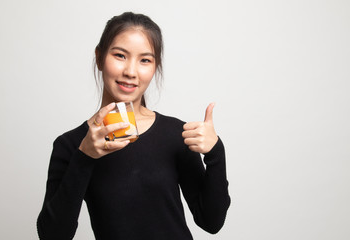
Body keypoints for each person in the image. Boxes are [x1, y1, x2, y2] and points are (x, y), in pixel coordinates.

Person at [37, 12, 230, 240]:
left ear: (155, 67)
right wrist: (85, 156)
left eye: (145, 60)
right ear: (99, 58)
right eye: (120, 55)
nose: (130, 71)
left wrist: (216, 151)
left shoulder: (176, 135)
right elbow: (53, 236)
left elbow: (211, 221)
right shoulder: (71, 145)